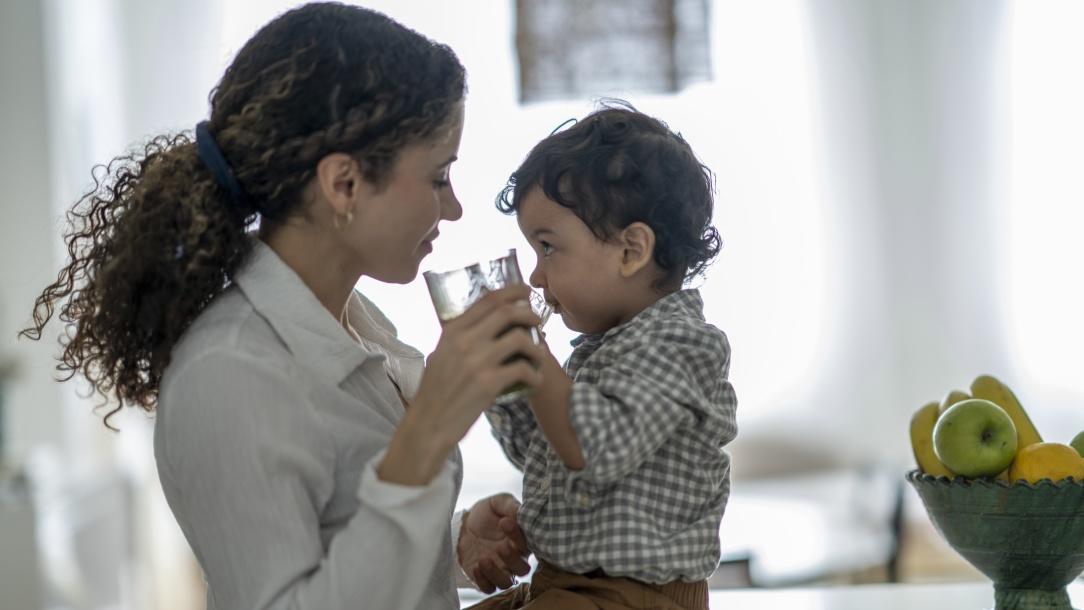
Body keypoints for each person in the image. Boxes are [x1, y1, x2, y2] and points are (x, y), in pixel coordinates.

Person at [20, 3, 547, 609]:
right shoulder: (231, 371)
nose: (451, 208)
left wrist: (451, 543)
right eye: (437, 177)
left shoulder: (356, 321)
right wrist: (429, 428)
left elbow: (338, 533)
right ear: (343, 184)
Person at [472, 103, 739, 610]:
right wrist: (504, 385)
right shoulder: (599, 351)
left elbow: (591, 449)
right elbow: (544, 453)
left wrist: (531, 356)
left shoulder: (684, 346)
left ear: (630, 251)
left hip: (636, 598)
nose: (534, 276)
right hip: (560, 584)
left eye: (548, 248)